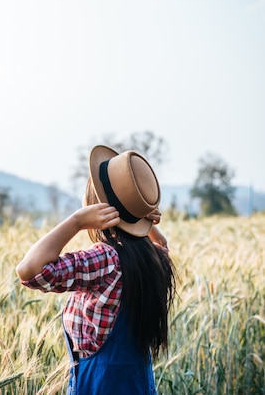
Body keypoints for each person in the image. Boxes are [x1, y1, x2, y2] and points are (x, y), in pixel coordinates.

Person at [16, 145, 177, 395]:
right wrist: (143, 219)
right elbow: (161, 245)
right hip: (139, 385)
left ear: (95, 205)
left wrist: (76, 221)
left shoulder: (105, 259)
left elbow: (29, 270)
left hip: (99, 386)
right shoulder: (154, 259)